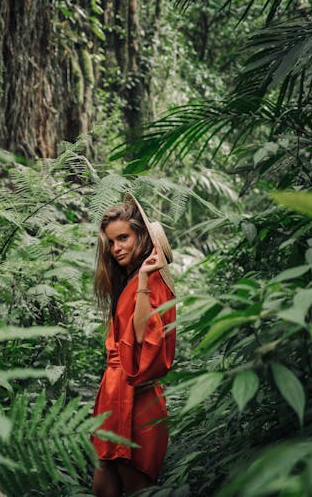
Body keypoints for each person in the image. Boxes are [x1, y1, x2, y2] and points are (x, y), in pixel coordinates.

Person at [91, 193, 177, 497]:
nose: (116, 249)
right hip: (113, 394)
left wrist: (142, 279)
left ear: (142, 237)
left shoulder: (152, 281)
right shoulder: (126, 281)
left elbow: (142, 337)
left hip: (136, 397)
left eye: (123, 238)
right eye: (112, 242)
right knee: (103, 487)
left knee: (137, 487)